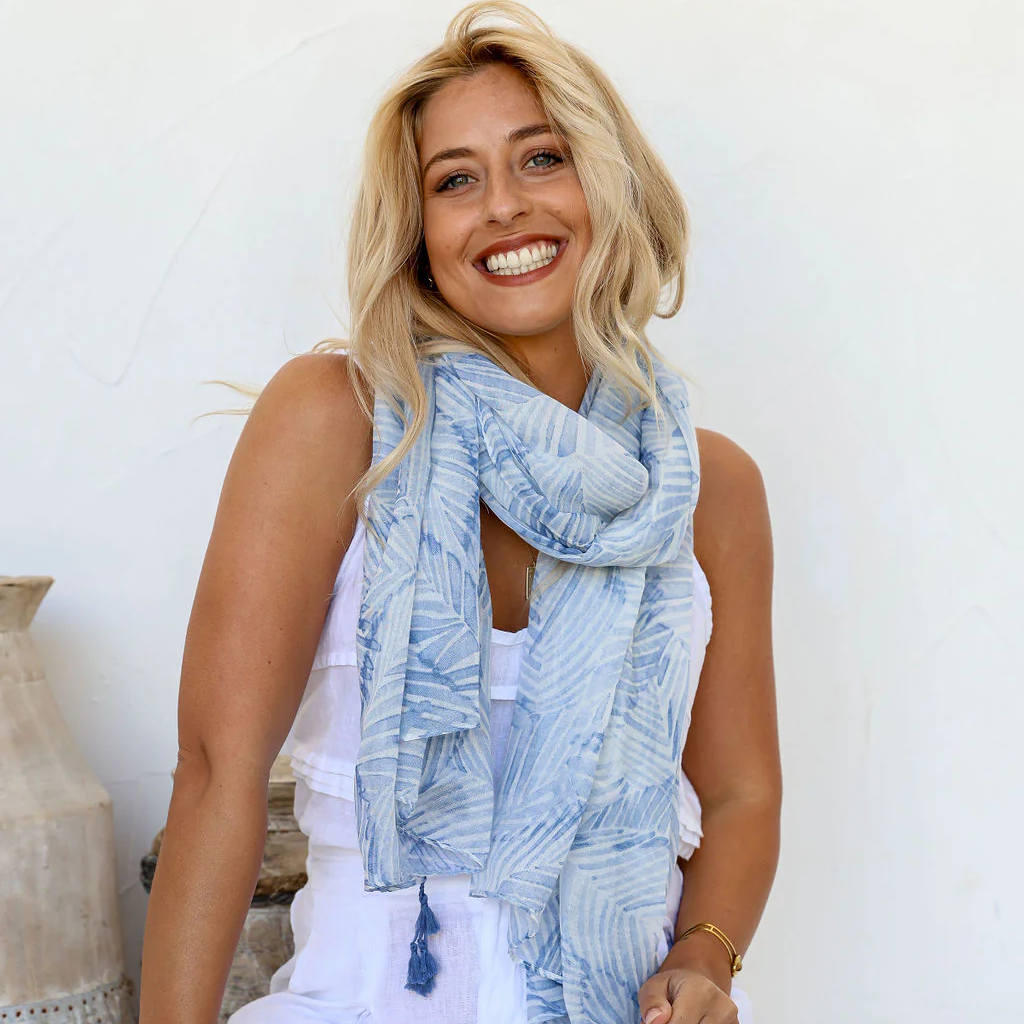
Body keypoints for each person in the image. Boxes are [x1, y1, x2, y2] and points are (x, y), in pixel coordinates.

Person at [138, 3, 781, 1023]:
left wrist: (703, 963)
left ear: (608, 187)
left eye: (542, 158)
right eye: (455, 180)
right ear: (419, 233)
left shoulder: (706, 487)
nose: (501, 208)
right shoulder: (334, 424)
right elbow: (218, 772)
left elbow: (743, 796)